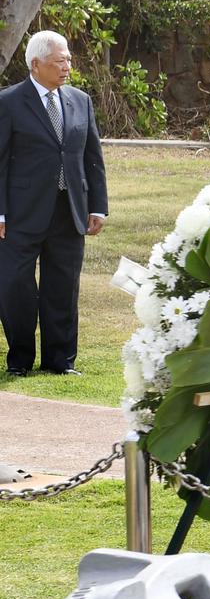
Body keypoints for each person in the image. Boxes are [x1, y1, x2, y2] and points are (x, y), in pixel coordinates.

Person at [0, 30, 107, 377]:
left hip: (68, 210)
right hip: (20, 213)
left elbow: (92, 158)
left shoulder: (80, 100)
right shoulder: (9, 102)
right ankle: (19, 360)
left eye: (69, 60)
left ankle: (60, 361)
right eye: (59, 61)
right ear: (36, 64)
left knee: (62, 287)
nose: (67, 67)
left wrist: (97, 206)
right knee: (15, 285)